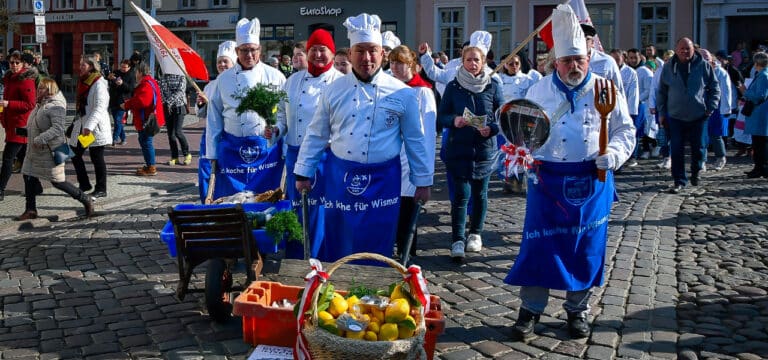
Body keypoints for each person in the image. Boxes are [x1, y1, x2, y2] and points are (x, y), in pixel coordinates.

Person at [505, 4, 635, 340]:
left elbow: (625, 130)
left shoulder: (606, 89)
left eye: (579, 60)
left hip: (592, 179)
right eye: (566, 61)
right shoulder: (538, 91)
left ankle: (578, 311)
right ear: (554, 62)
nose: (573, 66)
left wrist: (615, 155)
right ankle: (529, 311)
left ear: (589, 59)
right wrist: (522, 155)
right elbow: (523, 133)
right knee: (538, 247)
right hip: (547, 181)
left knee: (586, 247)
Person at [294, 13, 433, 262]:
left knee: (379, 239)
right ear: (350, 54)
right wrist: (304, 173)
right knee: (340, 236)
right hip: (341, 177)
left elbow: (415, 140)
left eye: (372, 51)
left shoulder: (403, 94)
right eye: (360, 51)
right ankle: (336, 289)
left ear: (382, 54)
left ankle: (375, 290)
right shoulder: (333, 91)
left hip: (383, 181)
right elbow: (316, 134)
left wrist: (422, 181)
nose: (366, 58)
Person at [272, 29, 343, 258]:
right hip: (295, 153)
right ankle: (295, 257)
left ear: (332, 53)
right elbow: (282, 116)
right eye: (313, 49)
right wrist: (276, 129)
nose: (318, 54)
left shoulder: (341, 83)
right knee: (296, 207)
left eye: (323, 50)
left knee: (320, 209)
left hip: (326, 156)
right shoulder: (292, 81)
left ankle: (321, 257)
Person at [204, 17, 286, 200]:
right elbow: (214, 117)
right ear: (236, 51)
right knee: (232, 200)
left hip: (266, 153)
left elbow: (283, 114)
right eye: (244, 50)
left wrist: (279, 136)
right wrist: (212, 153)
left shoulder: (276, 77)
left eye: (253, 50)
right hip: (232, 152)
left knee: (267, 199)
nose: (249, 55)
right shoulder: (223, 80)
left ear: (260, 50)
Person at [438, 34, 502, 261]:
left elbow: (501, 115)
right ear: (462, 62)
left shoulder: (493, 85)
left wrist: (491, 129)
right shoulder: (454, 87)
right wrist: (454, 120)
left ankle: (475, 233)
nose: (473, 64)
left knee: (480, 194)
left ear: (483, 62)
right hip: (459, 150)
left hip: (484, 150)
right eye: (469, 60)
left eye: (477, 60)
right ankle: (457, 238)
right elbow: (442, 115)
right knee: (461, 196)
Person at [16, 78, 94, 220]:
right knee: (28, 175)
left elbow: (57, 129)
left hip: (53, 150)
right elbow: (37, 124)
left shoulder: (56, 106)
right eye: (38, 88)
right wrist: (25, 131)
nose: (38, 91)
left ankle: (85, 199)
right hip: (35, 150)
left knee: (58, 181)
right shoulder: (41, 104)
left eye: (41, 89)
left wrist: (40, 138)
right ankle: (30, 210)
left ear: (50, 90)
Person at [388, 44, 437, 259]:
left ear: (412, 65)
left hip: (410, 159)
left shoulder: (423, 92)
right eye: (392, 63)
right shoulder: (388, 88)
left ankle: (407, 255)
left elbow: (427, 135)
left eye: (400, 63)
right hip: (389, 159)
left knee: (408, 212)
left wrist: (425, 173)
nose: (396, 68)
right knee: (390, 211)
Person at [657, 37, 720, 194]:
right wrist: (662, 112)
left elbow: (715, 88)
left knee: (698, 148)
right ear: (676, 49)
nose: (685, 51)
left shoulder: (703, 66)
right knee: (676, 149)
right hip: (675, 116)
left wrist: (710, 108)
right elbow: (662, 92)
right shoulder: (668, 67)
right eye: (682, 48)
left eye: (688, 49)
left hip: (698, 115)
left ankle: (696, 171)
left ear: (694, 50)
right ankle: (679, 180)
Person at [196, 41, 237, 202]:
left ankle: (226, 202)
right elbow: (201, 114)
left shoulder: (237, 84)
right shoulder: (210, 86)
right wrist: (201, 104)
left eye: (225, 61)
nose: (221, 64)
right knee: (206, 170)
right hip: (210, 135)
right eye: (219, 61)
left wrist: (211, 103)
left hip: (229, 136)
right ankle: (206, 203)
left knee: (227, 172)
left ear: (233, 63)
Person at [69, 55, 111, 198]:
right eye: (80, 65)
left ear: (91, 67)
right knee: (74, 153)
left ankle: (101, 189)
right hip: (83, 124)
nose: (80, 68)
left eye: (83, 65)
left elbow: (100, 107)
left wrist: (89, 126)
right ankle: (84, 183)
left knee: (97, 157)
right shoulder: (83, 82)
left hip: (95, 128)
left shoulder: (99, 83)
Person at [498, 53, 538, 194]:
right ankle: (508, 180)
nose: (513, 66)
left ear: (520, 64)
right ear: (505, 65)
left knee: (520, 151)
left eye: (516, 63)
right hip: (504, 120)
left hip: (522, 120)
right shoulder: (499, 79)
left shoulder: (527, 80)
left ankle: (520, 181)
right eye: (510, 63)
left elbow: (533, 99)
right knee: (507, 152)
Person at [0, 52, 36, 201]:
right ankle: (37, 186)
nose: (14, 65)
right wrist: (2, 116)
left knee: (8, 158)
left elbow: (30, 104)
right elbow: (5, 100)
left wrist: (9, 104)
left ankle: (0, 189)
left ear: (22, 64)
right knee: (24, 159)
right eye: (11, 62)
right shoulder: (9, 78)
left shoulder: (25, 80)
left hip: (21, 125)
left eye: (17, 63)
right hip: (11, 123)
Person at [122, 62, 165, 176]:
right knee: (145, 141)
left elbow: (142, 101)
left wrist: (127, 104)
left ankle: (151, 167)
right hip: (146, 118)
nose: (135, 74)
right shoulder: (149, 81)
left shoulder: (146, 83)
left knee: (146, 142)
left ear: (140, 72)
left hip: (146, 119)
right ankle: (149, 165)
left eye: (136, 72)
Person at [700, 49, 732, 171]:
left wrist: (726, 109)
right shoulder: (698, 71)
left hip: (717, 107)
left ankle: (721, 157)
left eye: (707, 58)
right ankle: (702, 160)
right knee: (701, 135)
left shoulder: (721, 72)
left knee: (715, 134)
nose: (705, 61)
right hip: (701, 106)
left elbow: (726, 92)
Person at [740, 51, 768, 178]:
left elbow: (760, 96)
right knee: (758, 143)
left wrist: (745, 92)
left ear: (757, 63)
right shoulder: (762, 74)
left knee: (759, 143)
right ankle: (758, 167)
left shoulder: (763, 76)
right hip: (759, 114)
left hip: (760, 114)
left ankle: (760, 168)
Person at [610, 49, 639, 166]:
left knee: (628, 131)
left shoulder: (630, 72)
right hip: (611, 107)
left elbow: (633, 93)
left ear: (623, 58)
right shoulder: (609, 70)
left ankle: (632, 156)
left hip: (626, 107)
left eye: (617, 59)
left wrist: (631, 111)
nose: (615, 61)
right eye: (613, 59)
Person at [627, 48, 658, 159]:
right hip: (627, 104)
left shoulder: (644, 71)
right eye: (631, 58)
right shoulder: (626, 70)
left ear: (640, 57)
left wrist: (637, 99)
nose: (633, 60)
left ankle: (650, 147)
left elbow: (648, 89)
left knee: (643, 128)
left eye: (635, 57)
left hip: (642, 104)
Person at [159, 72, 191, 166]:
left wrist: (170, 101)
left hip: (179, 107)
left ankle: (187, 154)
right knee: (170, 134)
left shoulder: (181, 76)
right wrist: (167, 102)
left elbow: (181, 91)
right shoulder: (164, 76)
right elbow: (163, 91)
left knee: (178, 132)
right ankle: (174, 157)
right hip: (167, 108)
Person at [107, 59, 136, 146]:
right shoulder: (116, 72)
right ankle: (123, 139)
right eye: (122, 66)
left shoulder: (131, 75)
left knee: (118, 120)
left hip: (123, 101)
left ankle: (114, 139)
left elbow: (131, 89)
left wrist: (122, 83)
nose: (123, 68)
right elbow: (109, 82)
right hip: (113, 99)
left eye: (125, 67)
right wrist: (109, 78)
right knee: (117, 121)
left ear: (129, 67)